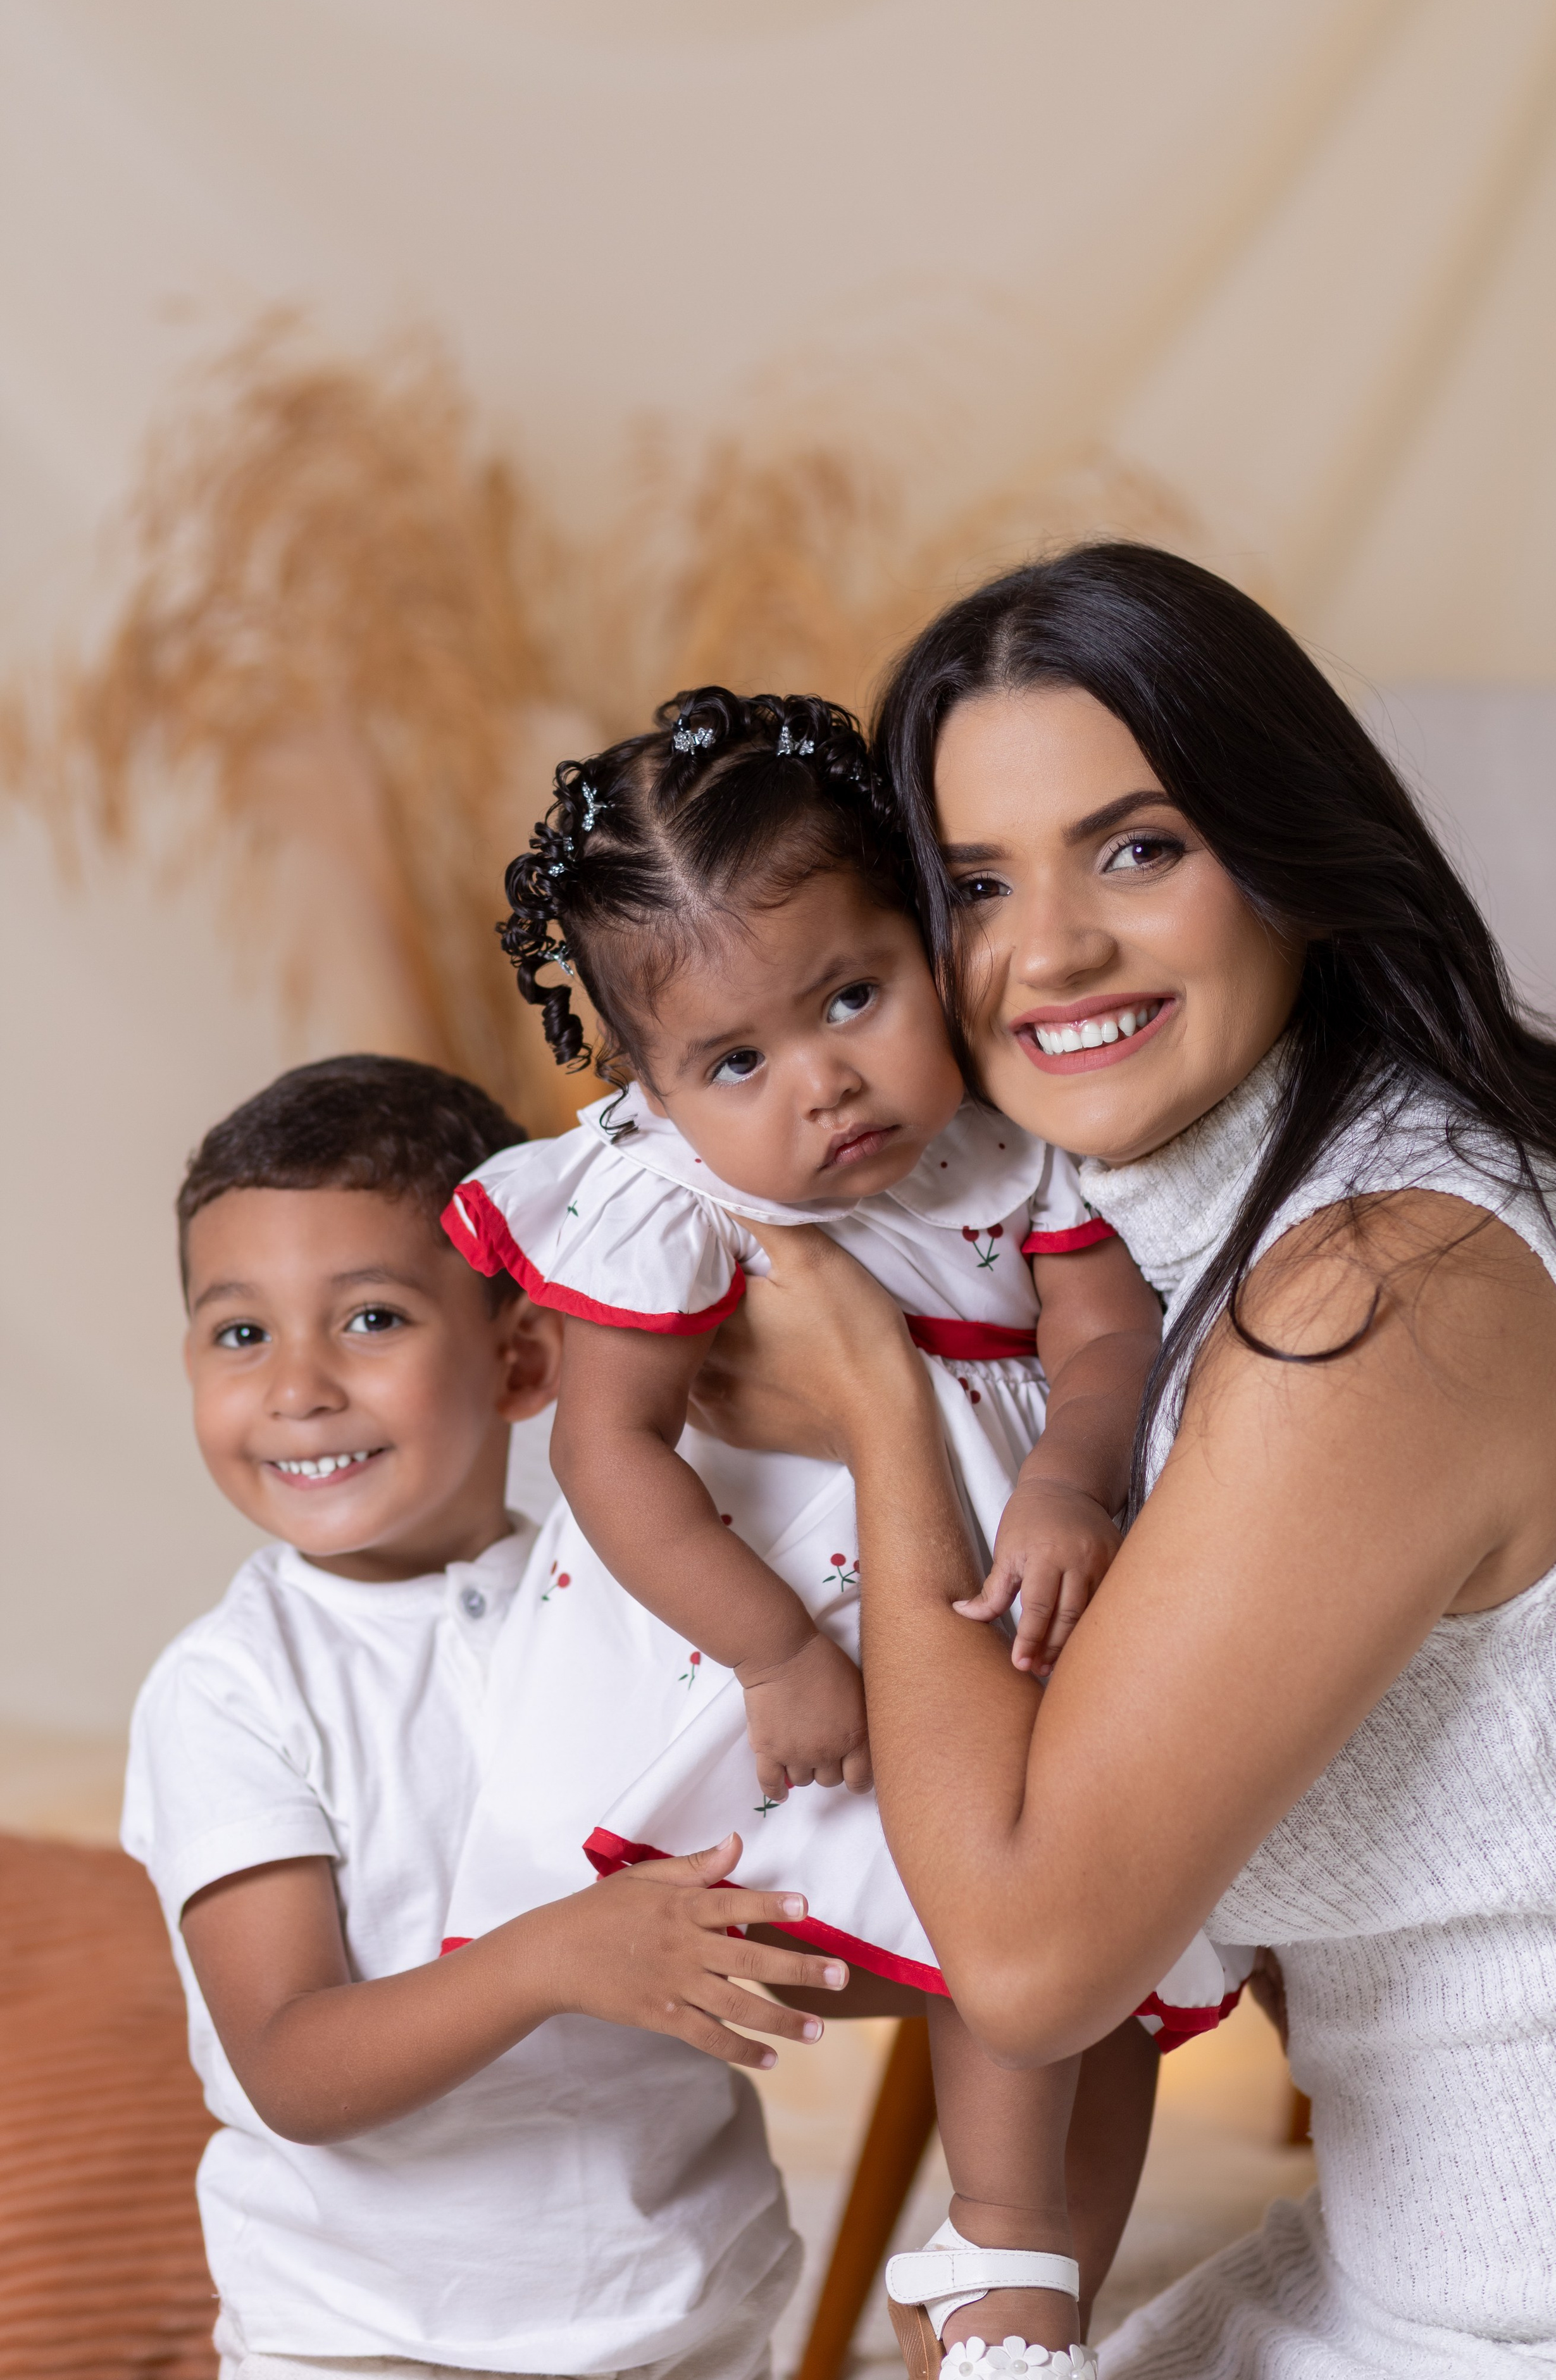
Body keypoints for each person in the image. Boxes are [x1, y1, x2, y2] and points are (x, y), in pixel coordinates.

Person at [685, 543, 1556, 2377]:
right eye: (974, 883)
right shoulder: (1215, 1238)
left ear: (1288, 852)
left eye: (1136, 849)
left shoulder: (1383, 1289)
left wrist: (875, 1399)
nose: (1048, 953)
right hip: (1399, 2265)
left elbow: (1032, 1957)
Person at [440, 687, 1250, 2379]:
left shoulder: (1013, 1140)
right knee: (985, 1930)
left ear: (926, 944)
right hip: (786, 1635)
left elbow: (1104, 1336)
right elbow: (608, 1449)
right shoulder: (677, 1197)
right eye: (736, 1061)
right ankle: (1003, 2257)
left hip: (1010, 1601)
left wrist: (1068, 1477)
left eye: (853, 997)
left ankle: (1021, 2282)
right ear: (655, 1085)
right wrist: (771, 1653)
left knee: (1083, 1954)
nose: (822, 1084)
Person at [121, 1054, 850, 2380]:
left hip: (689, 2314)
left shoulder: (645, 1600)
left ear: (522, 1359)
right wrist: (547, 1958)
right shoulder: (230, 1687)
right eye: (239, 1333)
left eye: (371, 1318)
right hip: (365, 2344)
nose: (297, 1385)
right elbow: (289, 2064)